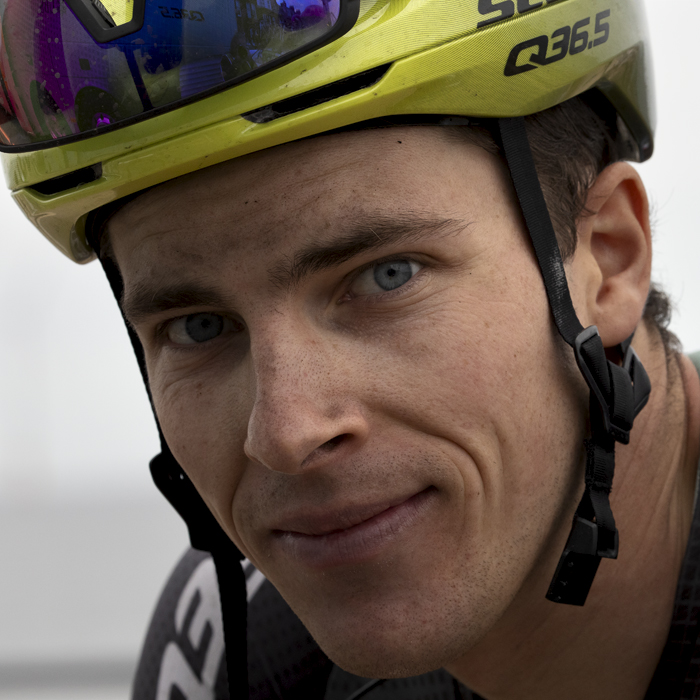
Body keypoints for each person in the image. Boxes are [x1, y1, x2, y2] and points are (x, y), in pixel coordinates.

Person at [0, 1, 698, 698]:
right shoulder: (234, 648)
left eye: (385, 277)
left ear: (607, 259)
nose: (285, 432)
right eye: (198, 328)